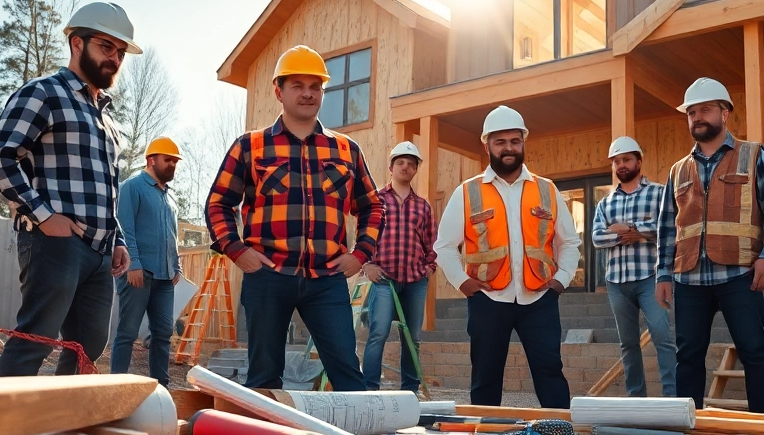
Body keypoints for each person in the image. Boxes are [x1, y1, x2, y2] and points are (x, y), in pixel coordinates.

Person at [206, 45, 383, 391]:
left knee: (348, 375)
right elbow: (218, 203)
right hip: (267, 277)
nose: (307, 93)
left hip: (327, 280)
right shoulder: (250, 146)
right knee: (264, 377)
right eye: (297, 85)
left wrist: (360, 254)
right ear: (278, 91)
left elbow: (373, 206)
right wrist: (237, 250)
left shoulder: (346, 150)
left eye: (315, 86)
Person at [0, 2, 138, 376]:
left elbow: (106, 187)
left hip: (99, 252)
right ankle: (4, 430)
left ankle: (57, 424)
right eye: (105, 47)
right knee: (37, 337)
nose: (114, 58)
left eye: (120, 52)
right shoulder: (43, 93)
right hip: (54, 243)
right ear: (76, 43)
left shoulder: (107, 117)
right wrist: (44, 216)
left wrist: (117, 240)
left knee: (89, 345)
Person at [656, 78, 764, 414]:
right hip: (689, 279)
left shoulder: (754, 155)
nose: (697, 117)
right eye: (692, 112)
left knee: (753, 351)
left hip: (740, 274)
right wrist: (662, 274)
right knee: (687, 357)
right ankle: (684, 428)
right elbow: (667, 226)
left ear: (725, 113)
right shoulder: (678, 170)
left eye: (705, 110)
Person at [435, 105, 580, 408]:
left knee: (551, 372)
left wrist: (560, 281)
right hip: (488, 300)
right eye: (500, 142)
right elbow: (445, 246)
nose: (509, 148)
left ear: (523, 142)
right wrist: (464, 284)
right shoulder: (467, 192)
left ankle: (560, 432)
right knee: (486, 377)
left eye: (515, 141)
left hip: (539, 299)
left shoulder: (547, 190)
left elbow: (569, 243)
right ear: (486, 144)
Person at [592, 136, 676, 398]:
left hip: (650, 278)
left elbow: (669, 228)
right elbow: (596, 237)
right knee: (628, 344)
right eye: (617, 161)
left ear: (639, 161)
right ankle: (636, 398)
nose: (622, 165)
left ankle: (673, 398)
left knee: (662, 338)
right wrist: (629, 233)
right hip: (617, 282)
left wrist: (633, 230)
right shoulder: (605, 203)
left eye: (626, 159)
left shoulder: (659, 193)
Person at [361, 141, 437, 392]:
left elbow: (430, 241)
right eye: (401, 163)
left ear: (415, 170)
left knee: (412, 339)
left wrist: (429, 267)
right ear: (391, 168)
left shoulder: (423, 206)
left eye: (411, 164)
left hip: (415, 281)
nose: (406, 167)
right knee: (378, 333)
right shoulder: (376, 201)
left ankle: (409, 392)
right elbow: (363, 235)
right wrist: (368, 264)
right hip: (384, 279)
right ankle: (370, 390)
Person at [111, 137, 183, 387]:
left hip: (165, 277)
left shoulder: (169, 198)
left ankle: (161, 389)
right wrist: (134, 264)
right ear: (151, 160)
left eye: (175, 161)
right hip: (138, 273)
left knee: (163, 333)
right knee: (128, 333)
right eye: (168, 160)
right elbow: (125, 228)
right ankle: (116, 387)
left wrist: (177, 265)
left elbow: (173, 235)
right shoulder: (132, 187)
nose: (172, 165)